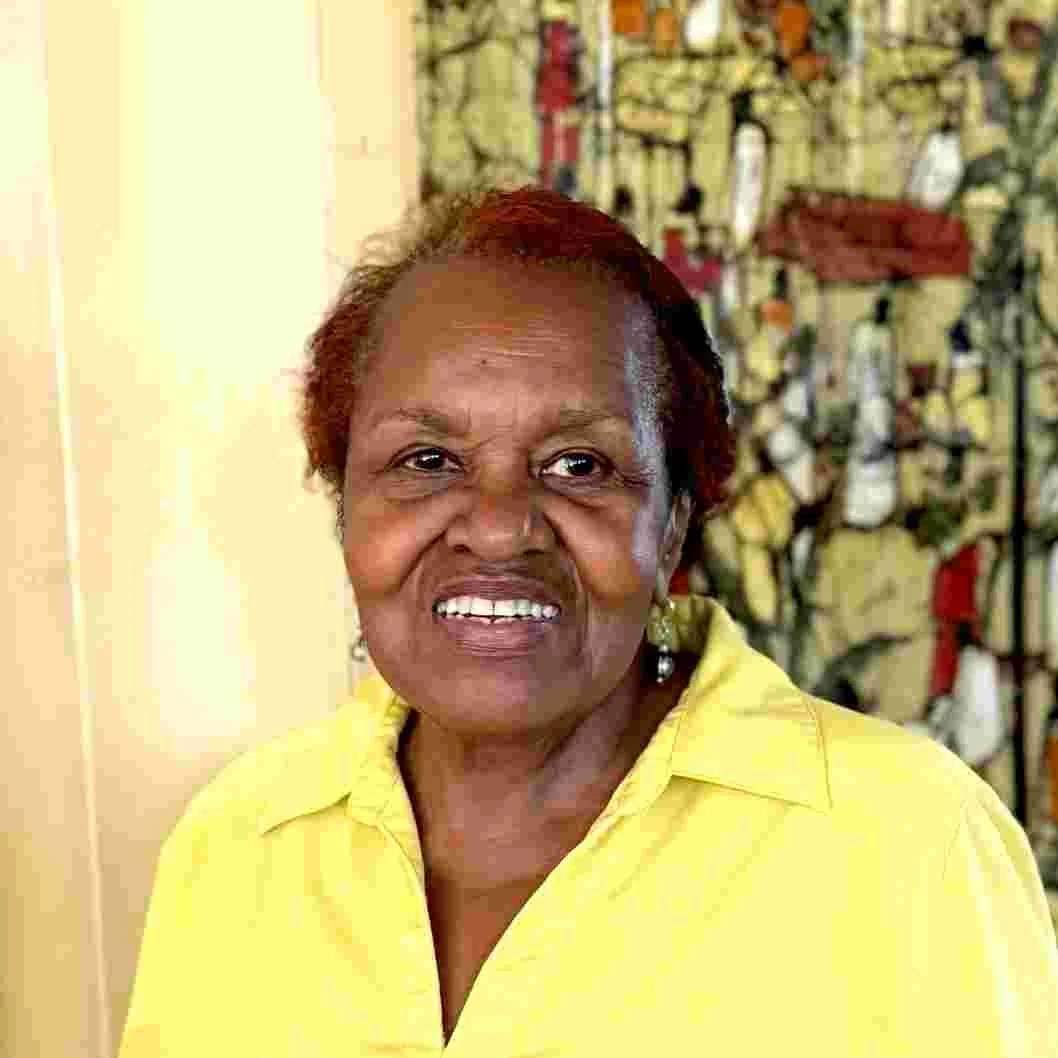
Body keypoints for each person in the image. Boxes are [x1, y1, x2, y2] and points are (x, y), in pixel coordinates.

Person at [118, 187, 1058, 1057]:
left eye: (579, 466)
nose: (497, 527)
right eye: (426, 458)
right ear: (345, 504)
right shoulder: (238, 845)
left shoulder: (903, 841)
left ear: (674, 522)